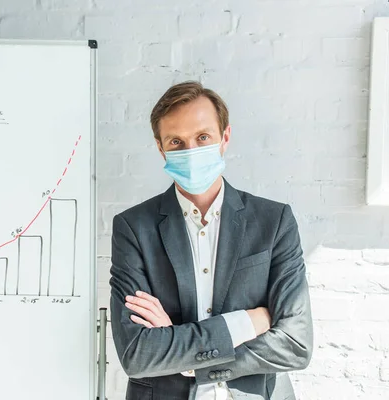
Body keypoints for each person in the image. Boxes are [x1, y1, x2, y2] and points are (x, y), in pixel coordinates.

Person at [109, 81, 313, 400]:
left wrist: (186, 353)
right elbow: (137, 355)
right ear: (161, 148)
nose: (191, 151)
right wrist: (247, 322)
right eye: (176, 141)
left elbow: (295, 345)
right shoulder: (134, 228)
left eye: (203, 137)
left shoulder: (274, 222)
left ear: (224, 138)